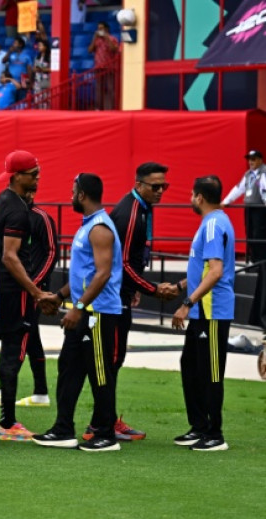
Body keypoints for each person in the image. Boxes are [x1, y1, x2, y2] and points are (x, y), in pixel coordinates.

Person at [35, 173, 123, 452]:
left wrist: (80, 308)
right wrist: (58, 296)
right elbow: (83, 275)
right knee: (68, 368)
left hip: (97, 314)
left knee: (100, 373)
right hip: (85, 310)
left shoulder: (99, 228)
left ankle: (106, 435)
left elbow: (103, 274)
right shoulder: (88, 227)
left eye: (73, 191)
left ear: (82, 194)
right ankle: (63, 429)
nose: (70, 196)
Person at [104, 162, 178, 441]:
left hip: (123, 292)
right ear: (139, 185)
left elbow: (133, 258)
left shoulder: (142, 209)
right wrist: (152, 289)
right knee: (111, 359)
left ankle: (106, 420)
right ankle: (102, 423)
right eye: (155, 186)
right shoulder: (131, 213)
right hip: (113, 296)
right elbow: (121, 263)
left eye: (164, 186)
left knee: (115, 358)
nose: (161, 191)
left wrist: (137, 286)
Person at [0, 150, 52, 441]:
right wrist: (36, 291)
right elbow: (10, 257)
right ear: (17, 176)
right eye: (33, 174)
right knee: (13, 356)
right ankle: (7, 423)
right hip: (16, 293)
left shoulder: (5, 200)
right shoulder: (17, 210)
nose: (38, 178)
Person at [170, 175, 235, 452]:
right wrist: (181, 286)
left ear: (199, 197)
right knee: (191, 366)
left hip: (211, 311)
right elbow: (205, 269)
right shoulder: (213, 223)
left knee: (210, 372)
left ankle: (215, 433)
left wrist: (187, 302)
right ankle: (199, 426)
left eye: (191, 195)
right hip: (202, 311)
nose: (190, 200)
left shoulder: (213, 225)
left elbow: (216, 271)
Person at [19, 190, 56, 408]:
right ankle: (40, 392)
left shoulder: (41, 218)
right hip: (17, 288)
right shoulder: (12, 215)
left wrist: (35, 287)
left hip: (35, 289)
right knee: (31, 336)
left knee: (24, 334)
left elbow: (52, 253)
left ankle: (11, 388)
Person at [222, 150, 266, 331]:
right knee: (251, 234)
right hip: (250, 206)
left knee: (260, 234)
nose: (251, 162)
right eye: (249, 160)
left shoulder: (264, 173)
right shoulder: (248, 175)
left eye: (254, 159)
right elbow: (238, 188)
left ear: (260, 160)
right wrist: (226, 201)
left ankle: (260, 260)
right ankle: (254, 260)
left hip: (261, 208)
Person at [89, 22, 119, 110]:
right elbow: (90, 50)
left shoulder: (112, 38)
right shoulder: (97, 40)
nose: (100, 30)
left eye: (101, 28)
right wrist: (94, 38)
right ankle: (99, 108)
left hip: (109, 67)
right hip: (98, 67)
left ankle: (111, 108)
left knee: (110, 88)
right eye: (98, 28)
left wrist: (107, 38)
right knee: (99, 89)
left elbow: (114, 49)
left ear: (106, 29)